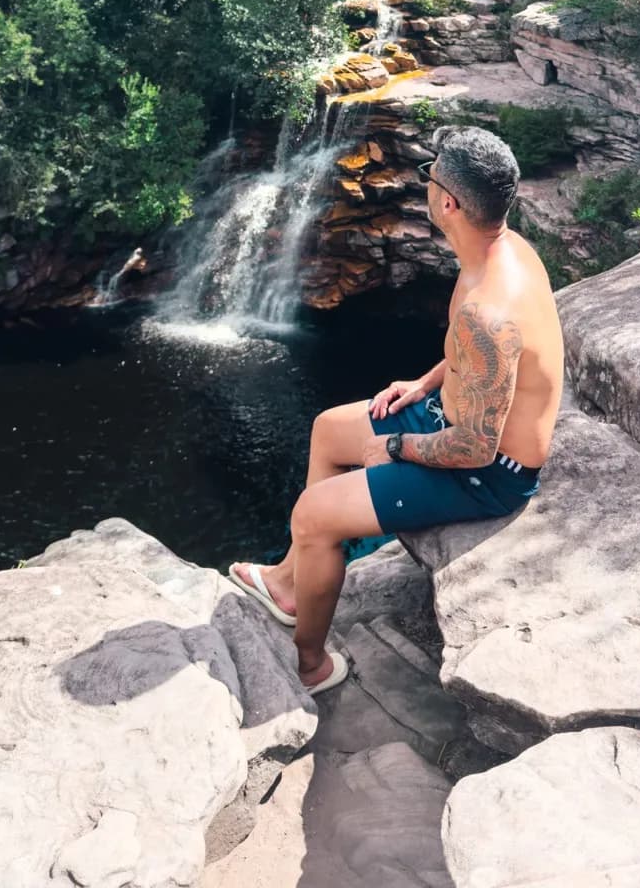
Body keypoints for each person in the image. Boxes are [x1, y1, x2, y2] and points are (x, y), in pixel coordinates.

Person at [228, 124, 565, 694]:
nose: (426, 182)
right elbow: (480, 359)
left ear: (449, 203)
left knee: (314, 513)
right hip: (453, 418)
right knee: (328, 429)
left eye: (429, 176)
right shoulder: (499, 247)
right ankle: (291, 581)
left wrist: (392, 448)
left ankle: (312, 666)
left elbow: (475, 446)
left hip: (486, 473)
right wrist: (428, 381)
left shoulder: (492, 308)